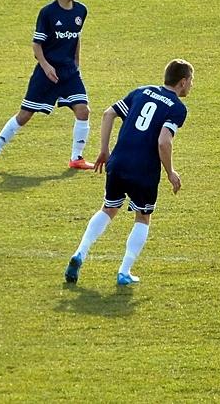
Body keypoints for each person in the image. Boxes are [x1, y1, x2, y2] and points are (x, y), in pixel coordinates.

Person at [64, 58, 194, 285]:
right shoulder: (177, 108)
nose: (192, 85)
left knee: (108, 208)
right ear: (182, 82)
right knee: (143, 217)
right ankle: (124, 272)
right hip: (143, 170)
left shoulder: (142, 91)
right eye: (191, 80)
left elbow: (108, 114)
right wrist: (170, 171)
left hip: (118, 161)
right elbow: (163, 141)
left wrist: (104, 150)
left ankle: (80, 253)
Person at [0, 0, 96, 171]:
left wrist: (76, 62)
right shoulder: (48, 12)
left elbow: (76, 37)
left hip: (69, 72)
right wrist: (46, 66)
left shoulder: (81, 10)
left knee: (83, 110)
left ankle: (76, 158)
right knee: (25, 115)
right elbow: (36, 44)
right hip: (46, 72)